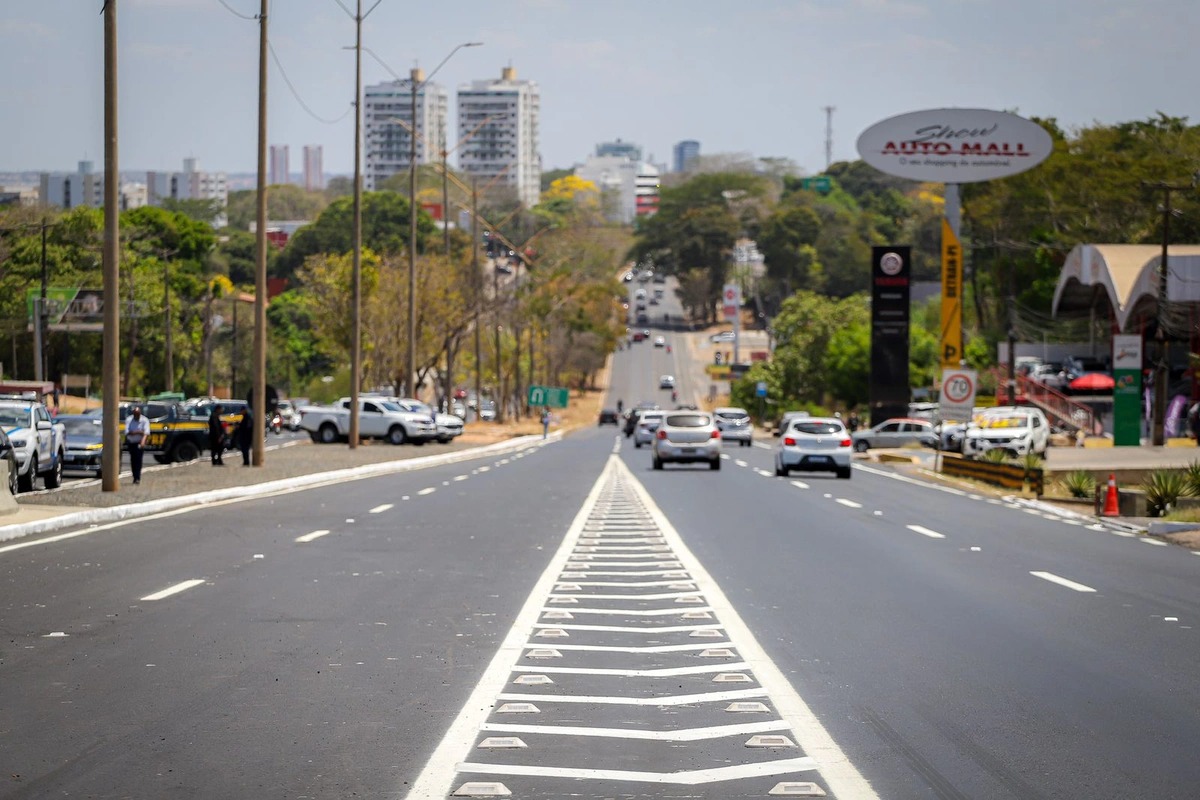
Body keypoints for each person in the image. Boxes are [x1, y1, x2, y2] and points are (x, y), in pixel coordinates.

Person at [125, 405, 150, 484]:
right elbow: (127, 432)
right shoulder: (129, 420)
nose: (136, 416)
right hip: (131, 442)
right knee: (133, 459)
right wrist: (139, 432)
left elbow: (146, 433)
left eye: (138, 415)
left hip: (139, 442)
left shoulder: (144, 420)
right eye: (135, 415)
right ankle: (134, 476)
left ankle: (137, 477)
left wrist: (142, 441)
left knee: (139, 460)